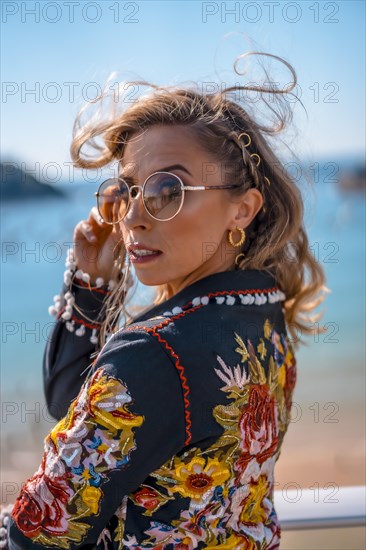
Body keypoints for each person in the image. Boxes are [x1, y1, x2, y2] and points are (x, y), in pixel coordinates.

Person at [2, 52, 327, 549]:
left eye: (166, 189)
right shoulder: (264, 315)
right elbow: (75, 404)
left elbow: (37, 534)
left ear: (242, 208)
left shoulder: (152, 355)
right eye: (127, 190)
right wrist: (93, 283)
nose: (132, 217)